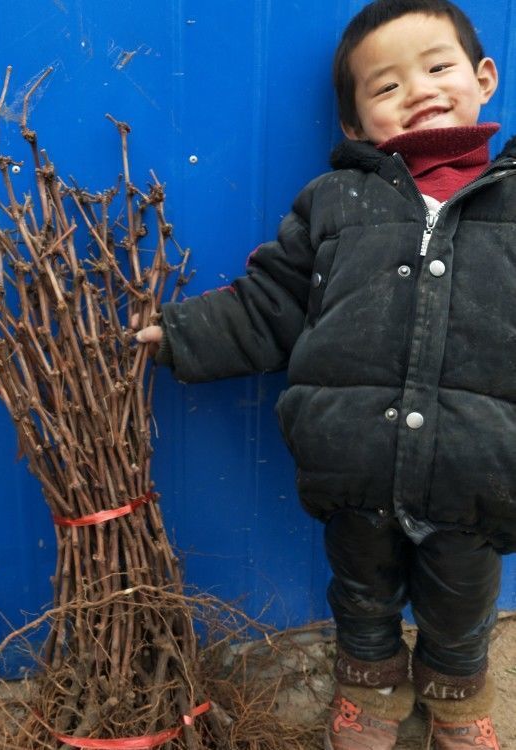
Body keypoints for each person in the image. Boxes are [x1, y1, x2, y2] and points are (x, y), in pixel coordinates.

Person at [135, 1, 515, 748]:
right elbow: (271, 304)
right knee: (361, 599)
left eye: (437, 67)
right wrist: (178, 334)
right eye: (386, 87)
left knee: (461, 606)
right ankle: (369, 697)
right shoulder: (336, 203)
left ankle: (456, 700)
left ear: (484, 77)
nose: (419, 91)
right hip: (354, 470)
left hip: (479, 473)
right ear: (353, 124)